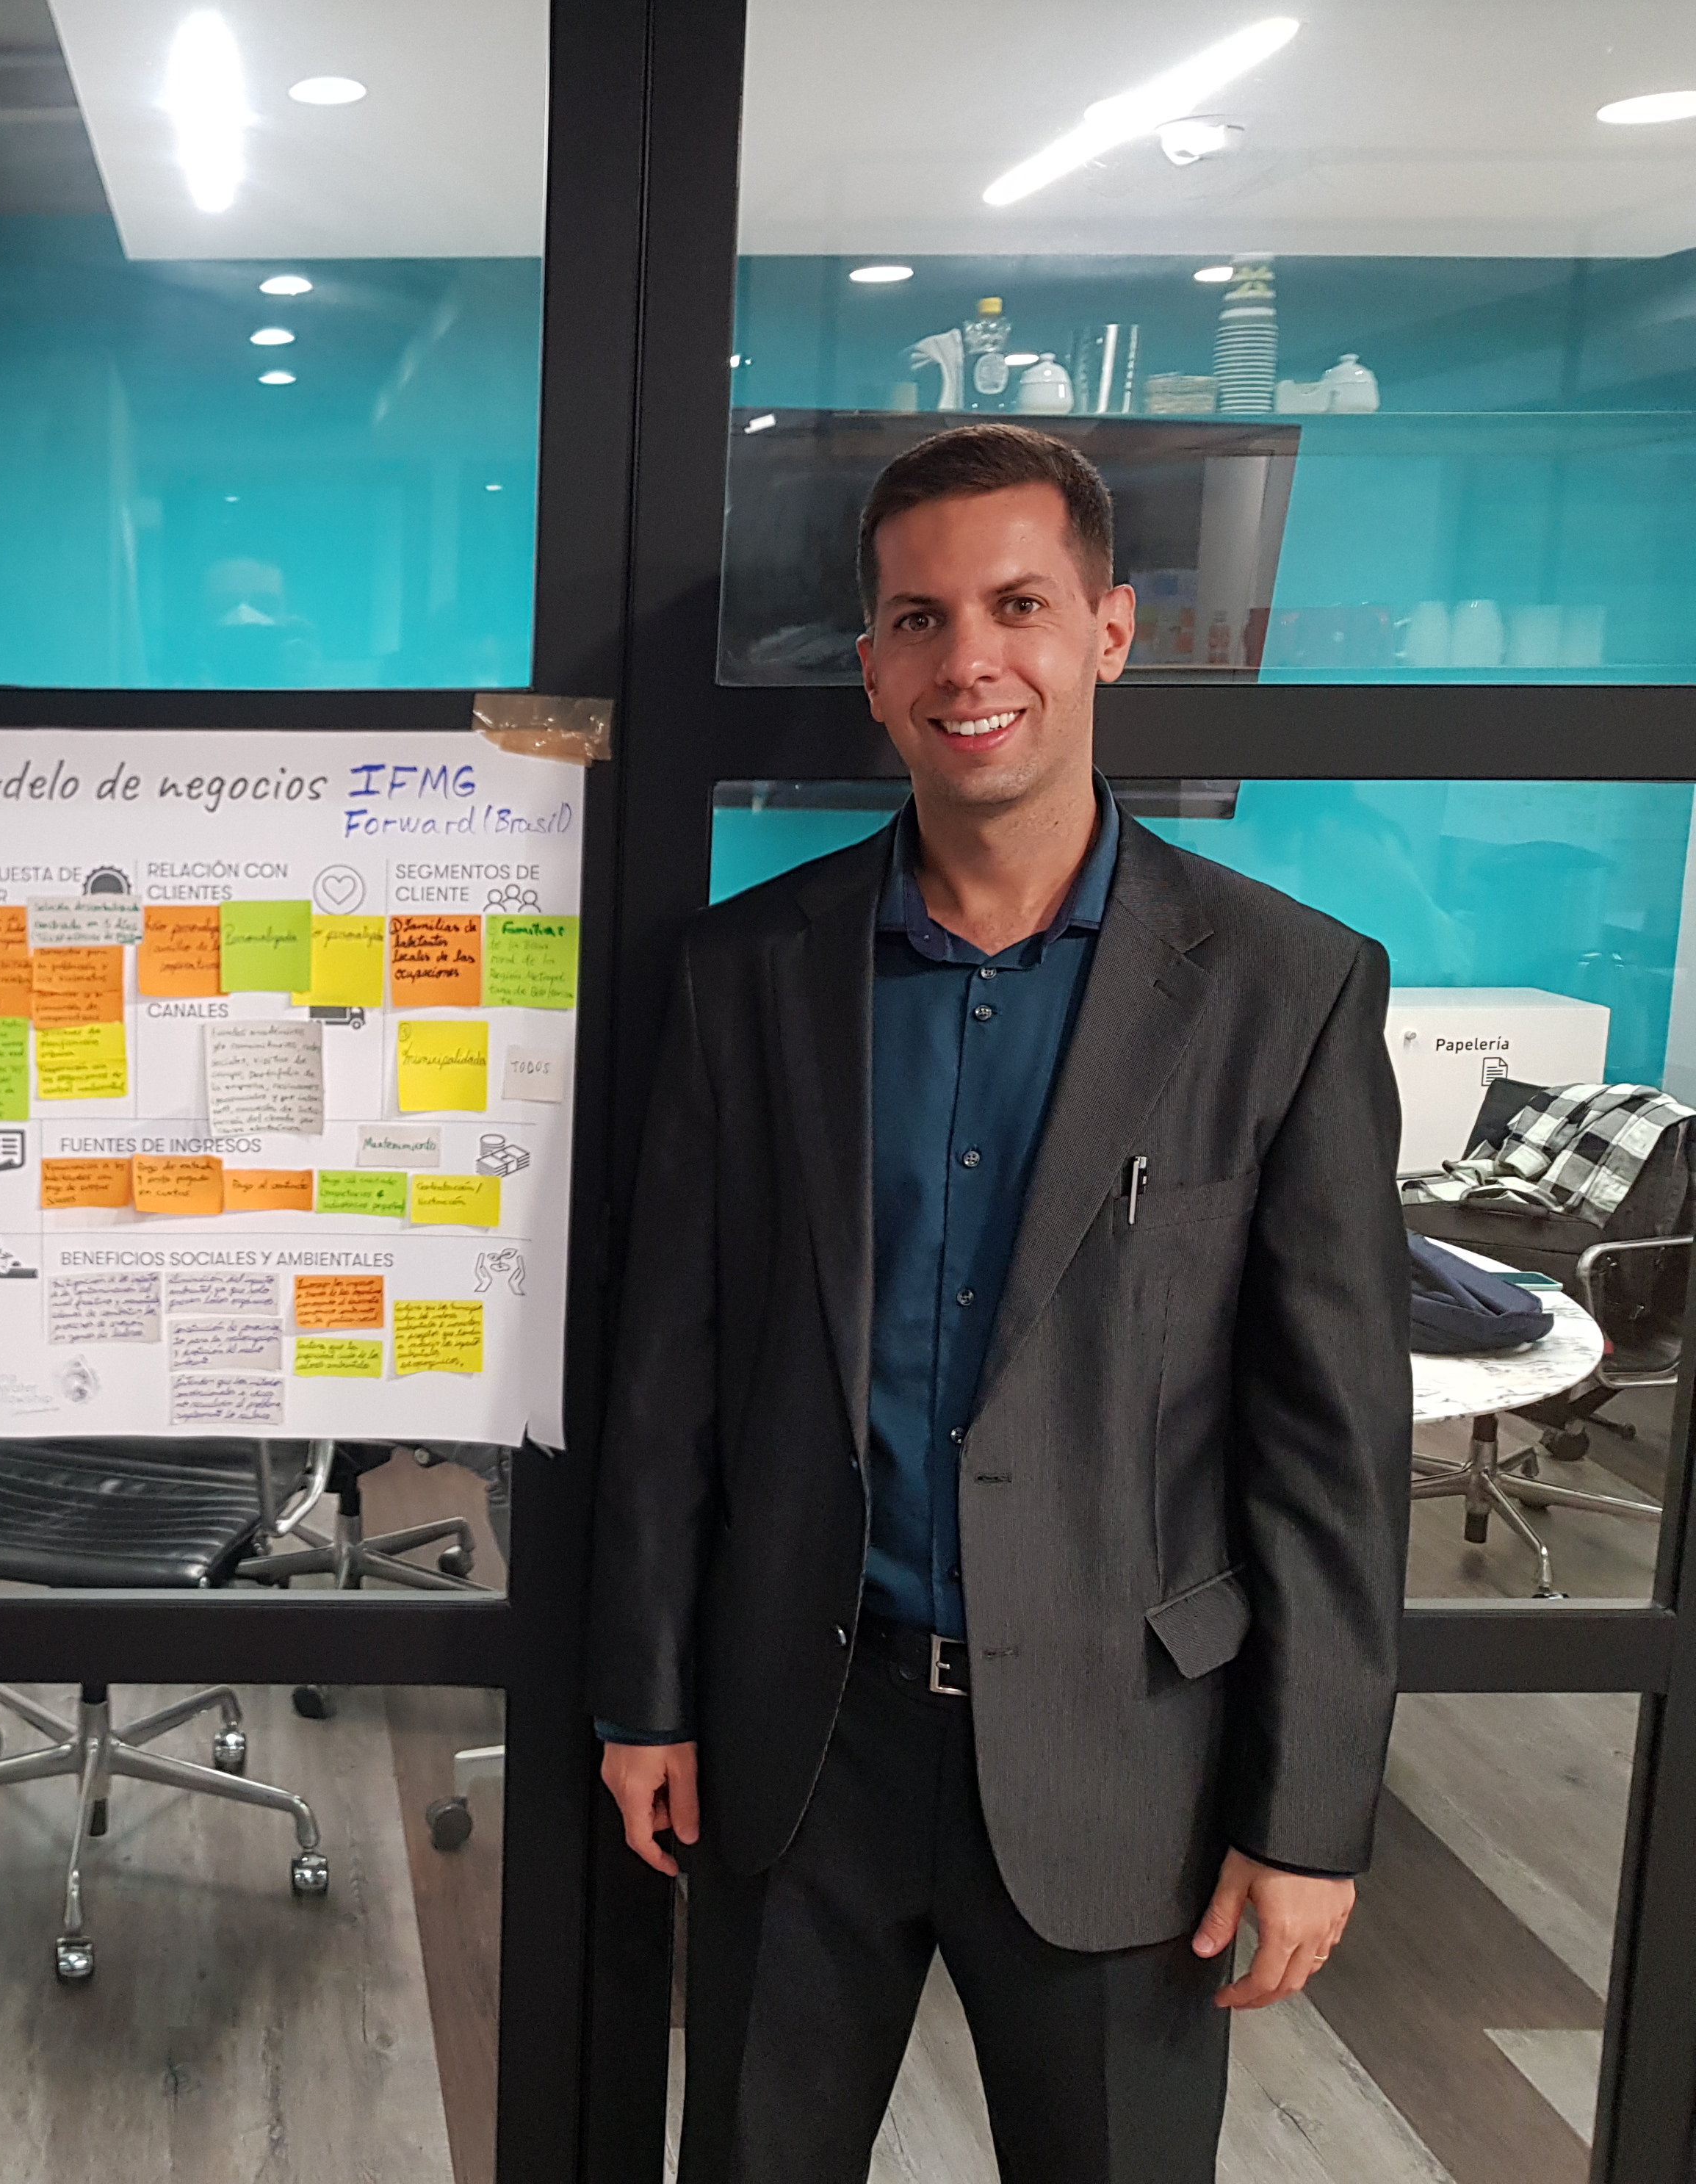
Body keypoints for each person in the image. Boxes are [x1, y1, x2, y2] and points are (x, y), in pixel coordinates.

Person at [591, 424, 1410, 2181]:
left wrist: (1309, 1813)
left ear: (1110, 631)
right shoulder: (749, 977)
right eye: (920, 618)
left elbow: (1333, 1455)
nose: (969, 660)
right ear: (871, 666)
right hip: (802, 1746)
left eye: (1018, 606)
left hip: (1129, 1763)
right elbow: (673, 1377)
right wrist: (645, 1692)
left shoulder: (1288, 992)